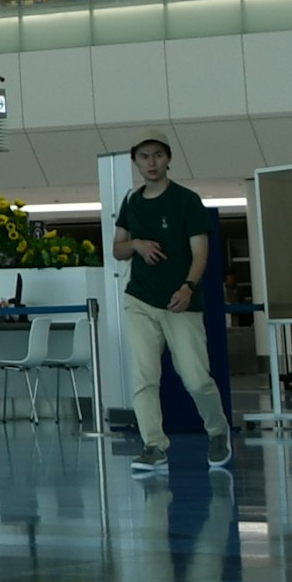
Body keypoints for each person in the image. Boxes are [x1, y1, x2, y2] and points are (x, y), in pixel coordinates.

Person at [111, 134, 231, 471]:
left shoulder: (186, 201)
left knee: (195, 378)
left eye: (158, 155)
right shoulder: (132, 202)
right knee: (144, 376)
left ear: (168, 160)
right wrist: (135, 244)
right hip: (140, 301)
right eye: (144, 156)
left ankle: (217, 430)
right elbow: (117, 248)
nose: (151, 162)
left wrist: (187, 287)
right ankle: (154, 445)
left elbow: (200, 252)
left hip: (180, 303)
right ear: (136, 161)